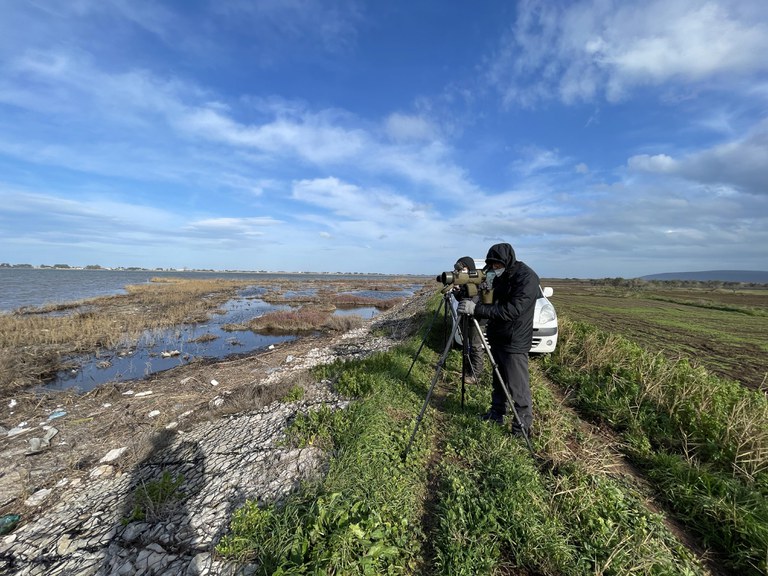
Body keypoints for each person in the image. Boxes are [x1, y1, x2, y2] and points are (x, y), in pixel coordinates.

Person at [457, 243, 539, 437]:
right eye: (491, 265)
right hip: (499, 335)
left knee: (517, 386)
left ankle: (522, 428)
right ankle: (496, 414)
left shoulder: (526, 278)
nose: (494, 269)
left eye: (497, 265)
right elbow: (491, 300)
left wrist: (476, 309)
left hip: (515, 339)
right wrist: (473, 292)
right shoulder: (499, 276)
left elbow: (512, 310)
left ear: (506, 261)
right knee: (499, 379)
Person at [451, 256, 485, 383]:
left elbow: (476, 299)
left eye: (463, 268)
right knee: (466, 344)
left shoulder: (478, 281)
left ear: (469, 268)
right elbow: (462, 299)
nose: (461, 272)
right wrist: (456, 291)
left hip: (477, 319)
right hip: (465, 316)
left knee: (476, 346)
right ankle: (467, 370)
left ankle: (475, 375)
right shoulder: (465, 282)